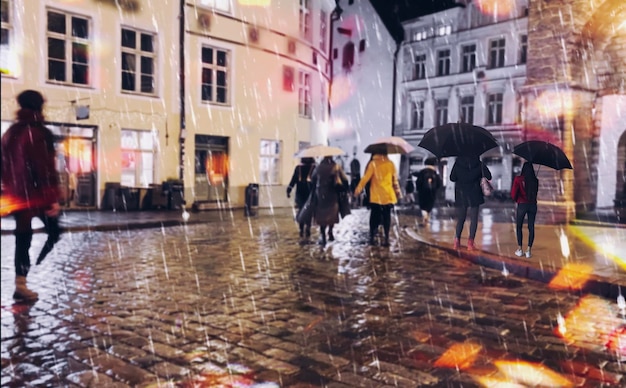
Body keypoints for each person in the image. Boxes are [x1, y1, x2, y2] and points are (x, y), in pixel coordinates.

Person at [1, 90, 62, 302]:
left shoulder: (11, 132)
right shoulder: (39, 132)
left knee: (23, 239)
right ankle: (31, 270)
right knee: (54, 231)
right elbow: (43, 166)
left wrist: (8, 190)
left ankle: (21, 283)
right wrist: (52, 197)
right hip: (37, 196)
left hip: (18, 197)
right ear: (39, 107)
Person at [354, 152, 401, 247]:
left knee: (374, 217)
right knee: (387, 217)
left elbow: (365, 178)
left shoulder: (373, 164)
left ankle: (372, 237)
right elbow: (394, 180)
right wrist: (398, 191)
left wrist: (358, 189)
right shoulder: (390, 164)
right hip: (388, 195)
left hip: (376, 196)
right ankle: (386, 237)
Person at [449, 155, 491, 251]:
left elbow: (452, 178)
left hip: (461, 194)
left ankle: (456, 241)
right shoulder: (479, 164)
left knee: (461, 219)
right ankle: (470, 244)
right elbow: (489, 176)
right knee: (474, 219)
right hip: (474, 194)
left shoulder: (458, 163)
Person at [310, 156, 348, 245]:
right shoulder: (336, 166)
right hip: (333, 193)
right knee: (332, 214)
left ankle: (323, 235)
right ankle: (330, 231)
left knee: (322, 215)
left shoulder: (319, 167)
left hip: (321, 194)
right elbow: (345, 179)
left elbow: (313, 178)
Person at [511, 162, 539, 258]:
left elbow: (513, 194)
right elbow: (535, 193)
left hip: (522, 205)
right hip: (533, 205)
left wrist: (517, 199)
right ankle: (528, 250)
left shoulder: (518, 179)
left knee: (519, 226)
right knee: (531, 227)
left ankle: (519, 249)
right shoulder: (535, 180)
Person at [286, 157, 316, 237]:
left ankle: (301, 228)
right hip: (310, 192)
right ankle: (308, 228)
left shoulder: (298, 168)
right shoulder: (314, 168)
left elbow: (293, 180)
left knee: (301, 209)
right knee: (308, 211)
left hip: (300, 192)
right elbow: (316, 181)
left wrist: (289, 189)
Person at [414, 158, 442, 223]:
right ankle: (427, 218)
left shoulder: (422, 172)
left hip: (422, 193)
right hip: (432, 193)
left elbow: (418, 182)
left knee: (423, 206)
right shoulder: (435, 173)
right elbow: (439, 184)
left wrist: (419, 190)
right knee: (429, 206)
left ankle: (425, 216)